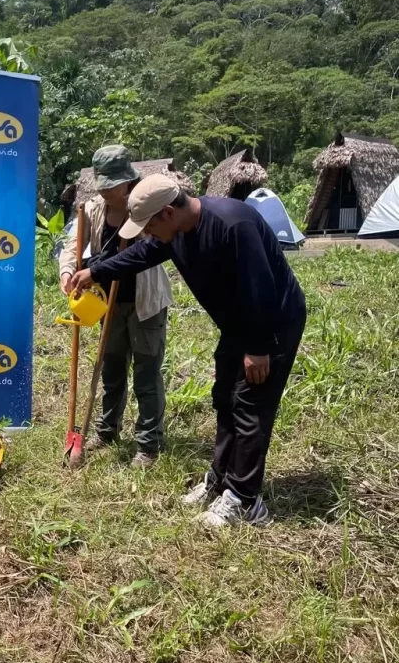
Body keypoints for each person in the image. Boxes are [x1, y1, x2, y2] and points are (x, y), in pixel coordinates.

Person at [68, 174, 306, 526]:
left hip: (271, 324)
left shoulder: (232, 224)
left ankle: (246, 500)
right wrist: (96, 272)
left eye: (148, 225)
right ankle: (221, 480)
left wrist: (258, 348)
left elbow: (261, 287)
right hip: (238, 323)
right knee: (225, 397)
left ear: (167, 212)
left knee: (251, 405)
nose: (147, 234)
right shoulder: (175, 231)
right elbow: (143, 253)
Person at [59, 145, 173, 466]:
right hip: (107, 304)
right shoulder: (93, 209)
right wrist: (68, 271)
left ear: (128, 181)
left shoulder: (146, 206)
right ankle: (107, 430)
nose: (108, 191)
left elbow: (144, 254)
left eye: (113, 185)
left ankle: (149, 444)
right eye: (103, 185)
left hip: (145, 302)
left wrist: (96, 266)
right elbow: (72, 244)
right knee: (110, 369)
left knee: (146, 373)